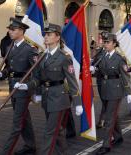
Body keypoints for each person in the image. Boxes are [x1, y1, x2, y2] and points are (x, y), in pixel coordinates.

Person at [14, 23, 83, 155]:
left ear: (57, 37)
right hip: (47, 98)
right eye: (45, 34)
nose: (45, 37)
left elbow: (72, 81)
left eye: (49, 34)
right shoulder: (41, 56)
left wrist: (78, 102)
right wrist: (27, 86)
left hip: (59, 98)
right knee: (58, 131)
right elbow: (38, 79)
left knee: (49, 132)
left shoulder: (64, 57)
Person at [0, 17, 37, 155]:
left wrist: (31, 88)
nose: (10, 32)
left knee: (17, 122)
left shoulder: (30, 49)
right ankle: (31, 145)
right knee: (24, 118)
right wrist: (2, 74)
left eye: (13, 30)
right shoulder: (10, 47)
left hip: (22, 88)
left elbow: (36, 73)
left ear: (21, 31)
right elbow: (9, 68)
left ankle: (6, 151)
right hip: (12, 86)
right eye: (10, 29)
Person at [92, 33, 131, 155]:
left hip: (116, 90)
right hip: (104, 89)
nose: (105, 44)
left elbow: (125, 76)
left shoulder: (120, 58)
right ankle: (118, 135)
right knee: (112, 114)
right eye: (104, 42)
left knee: (109, 117)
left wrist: (128, 92)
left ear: (114, 43)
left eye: (108, 42)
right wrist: (94, 70)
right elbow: (99, 68)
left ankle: (106, 145)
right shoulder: (102, 55)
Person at [90, 31, 108, 129]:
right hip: (100, 80)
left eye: (101, 39)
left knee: (107, 101)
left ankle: (103, 120)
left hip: (108, 81)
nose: (100, 41)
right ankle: (103, 119)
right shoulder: (100, 50)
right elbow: (95, 60)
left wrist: (96, 67)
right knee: (104, 101)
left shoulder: (108, 51)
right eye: (100, 38)